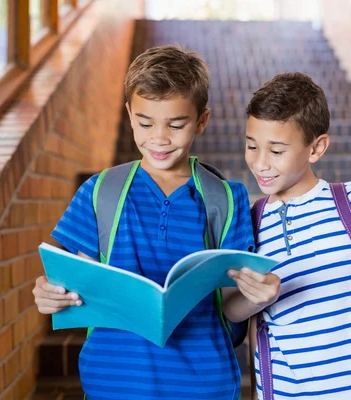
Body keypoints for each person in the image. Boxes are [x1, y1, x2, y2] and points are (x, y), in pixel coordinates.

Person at [32, 45, 257, 400]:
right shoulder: (100, 191)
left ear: (201, 120)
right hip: (113, 381)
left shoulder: (227, 199)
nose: (159, 138)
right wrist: (50, 293)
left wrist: (257, 298)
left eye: (176, 124)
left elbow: (231, 305)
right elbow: (74, 279)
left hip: (203, 384)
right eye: (145, 122)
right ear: (129, 114)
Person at [224, 73, 351, 400]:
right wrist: (256, 298)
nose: (259, 162)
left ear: (316, 148)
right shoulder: (250, 222)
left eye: (276, 150)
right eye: (251, 145)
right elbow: (232, 311)